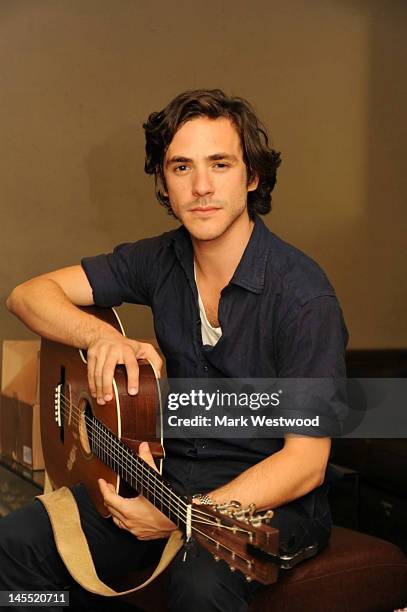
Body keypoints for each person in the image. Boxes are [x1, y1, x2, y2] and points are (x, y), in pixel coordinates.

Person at [2, 89, 348, 611]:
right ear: (164, 183)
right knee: (17, 541)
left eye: (220, 164)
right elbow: (27, 295)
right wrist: (101, 335)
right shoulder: (161, 258)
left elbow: (305, 464)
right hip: (167, 475)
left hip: (269, 503)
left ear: (252, 177)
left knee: (201, 584)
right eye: (181, 167)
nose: (201, 187)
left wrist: (187, 515)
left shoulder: (303, 297)